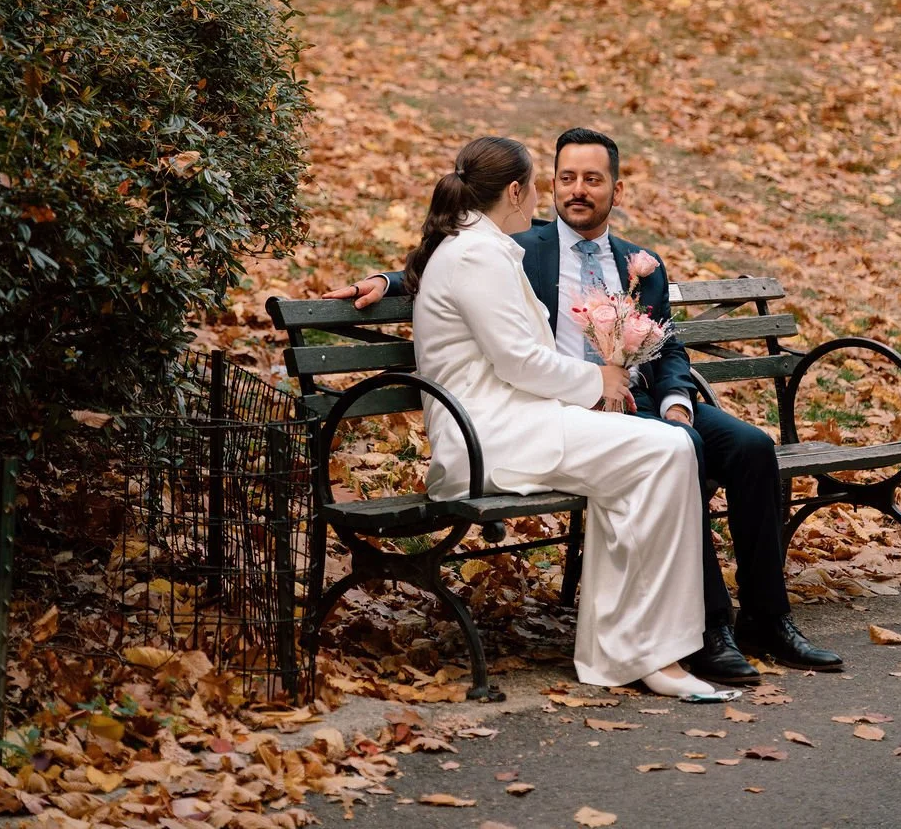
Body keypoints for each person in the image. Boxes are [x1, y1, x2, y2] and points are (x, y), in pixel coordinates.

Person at [326, 127, 843, 684]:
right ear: (536, 188)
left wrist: (675, 402)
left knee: (751, 446)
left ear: (615, 191)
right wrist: (384, 279)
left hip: (634, 401)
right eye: (566, 178)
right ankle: (706, 630)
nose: (577, 190)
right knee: (676, 454)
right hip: (555, 407)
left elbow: (668, 347)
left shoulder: (639, 261)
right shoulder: (515, 246)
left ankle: (766, 619)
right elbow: (441, 270)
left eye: (592, 180)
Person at [390, 133, 727, 698]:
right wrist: (599, 381)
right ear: (516, 190)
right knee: (664, 449)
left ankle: (634, 650)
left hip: (518, 420)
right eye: (539, 188)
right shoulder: (475, 252)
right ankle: (645, 654)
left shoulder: (485, 246)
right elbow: (519, 359)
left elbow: (522, 356)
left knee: (663, 452)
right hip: (486, 435)